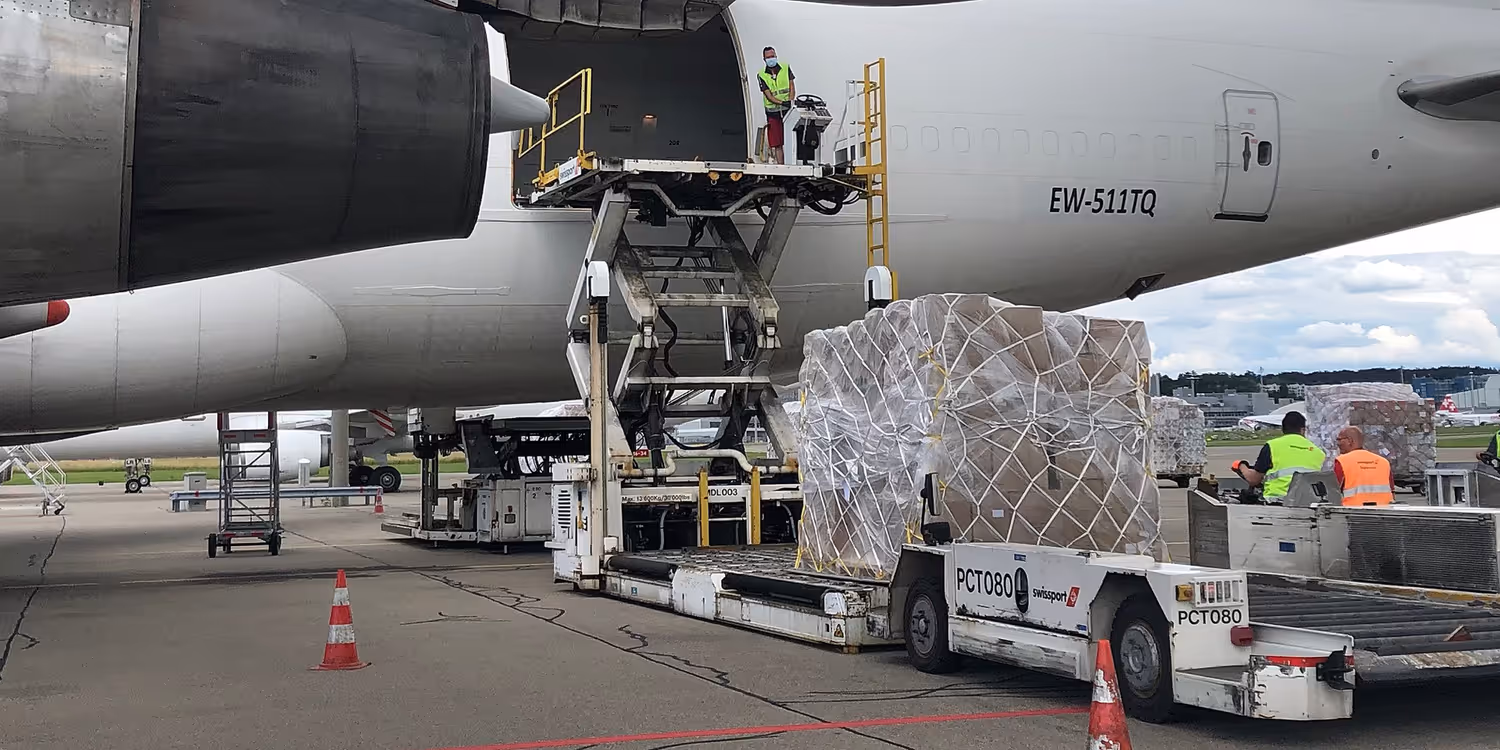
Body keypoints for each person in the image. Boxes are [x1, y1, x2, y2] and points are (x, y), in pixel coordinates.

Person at [1232, 411, 1326, 502]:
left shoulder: (1272, 446)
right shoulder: (1318, 452)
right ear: (1303, 430)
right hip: (1308, 501)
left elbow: (1254, 480)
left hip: (1276, 500)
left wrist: (1241, 466)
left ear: (1283, 429)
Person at [1333, 426, 1394, 506]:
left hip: (1353, 511)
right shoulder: (1383, 462)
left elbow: (1332, 492)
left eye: (1339, 440)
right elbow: (1392, 492)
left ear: (1350, 441)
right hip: (1384, 511)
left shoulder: (1342, 461)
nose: (1338, 444)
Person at [757, 46, 795, 164]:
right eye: (768, 57)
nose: (771, 59)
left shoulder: (785, 68)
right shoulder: (761, 74)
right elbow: (769, 96)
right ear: (764, 59)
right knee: (777, 143)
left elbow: (791, 86)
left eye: (772, 56)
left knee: (790, 138)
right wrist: (783, 103)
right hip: (773, 113)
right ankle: (781, 165)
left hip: (787, 111)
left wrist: (791, 101)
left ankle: (792, 163)